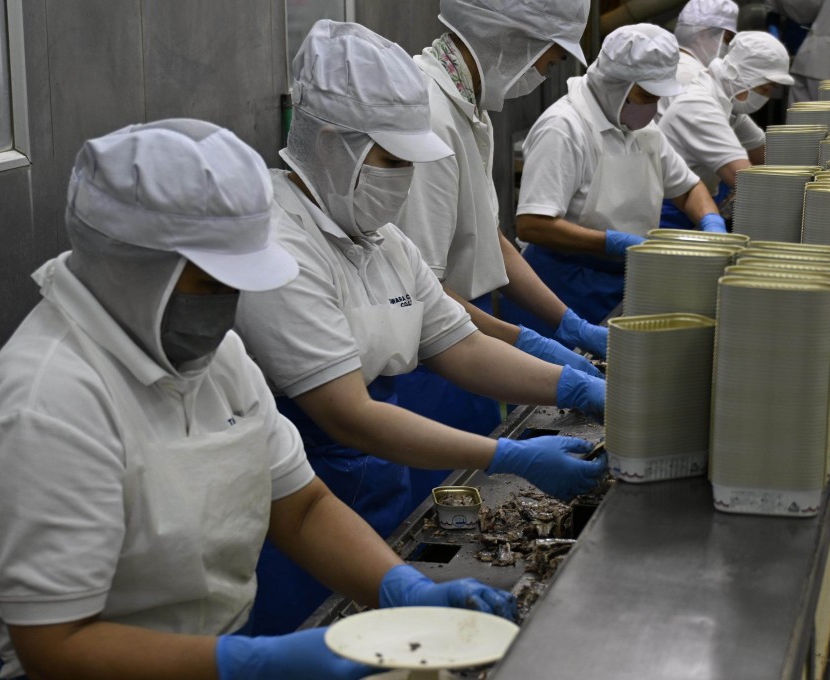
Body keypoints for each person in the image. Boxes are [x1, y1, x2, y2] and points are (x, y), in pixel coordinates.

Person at [0, 118, 518, 680]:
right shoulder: (47, 405)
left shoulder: (216, 357)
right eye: (210, 283)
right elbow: (57, 647)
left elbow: (301, 507)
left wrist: (402, 587)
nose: (228, 307)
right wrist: (255, 661)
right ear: (132, 264)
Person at [235, 20, 608, 636]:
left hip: (375, 480)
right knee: (309, 637)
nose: (403, 177)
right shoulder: (279, 247)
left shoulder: (381, 241)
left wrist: (574, 386)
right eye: (391, 158)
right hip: (296, 509)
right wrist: (509, 454)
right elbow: (348, 414)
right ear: (332, 143)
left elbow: (457, 344)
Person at [392, 0, 607, 495]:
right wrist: (526, 343)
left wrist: (567, 323)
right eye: (547, 61)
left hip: (467, 345)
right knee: (438, 509)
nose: (541, 74)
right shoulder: (427, 114)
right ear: (512, 40)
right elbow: (425, 293)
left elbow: (488, 234)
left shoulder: (469, 106)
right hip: (425, 365)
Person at [513, 24, 724, 327]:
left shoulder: (643, 131)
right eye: (645, 95)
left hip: (620, 282)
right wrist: (611, 242)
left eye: (657, 97)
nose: (652, 106)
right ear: (615, 83)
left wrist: (711, 224)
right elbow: (532, 225)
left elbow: (688, 188)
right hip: (562, 290)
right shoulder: (565, 128)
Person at [657, 31, 794, 230]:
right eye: (764, 89)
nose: (765, 98)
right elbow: (746, 180)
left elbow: (767, 155)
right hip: (667, 209)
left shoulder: (727, 103)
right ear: (741, 76)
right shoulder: (699, 106)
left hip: (691, 201)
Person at [671, 0, 739, 86]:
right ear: (703, 34)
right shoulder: (692, 77)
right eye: (727, 39)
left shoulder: (671, 64)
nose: (728, 46)